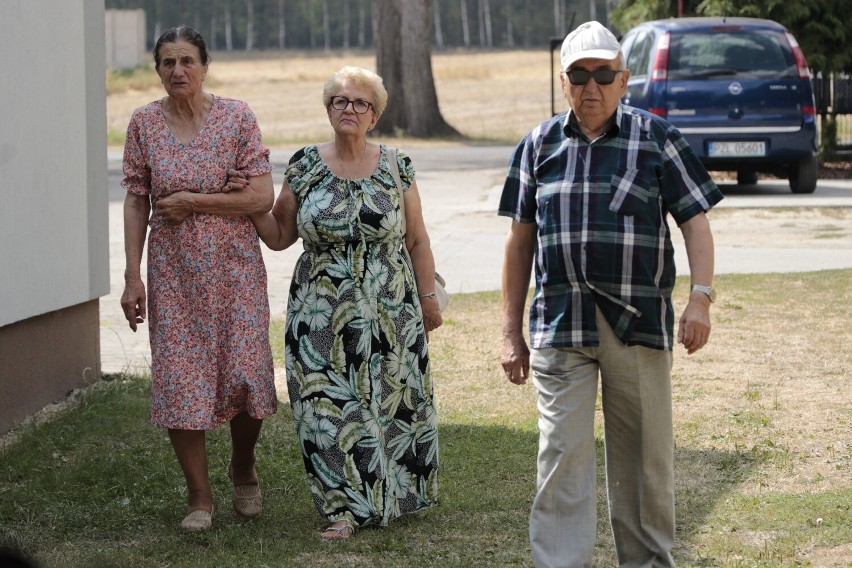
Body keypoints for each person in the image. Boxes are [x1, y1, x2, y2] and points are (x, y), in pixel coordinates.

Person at [498, 21, 723, 567]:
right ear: (563, 80)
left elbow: (695, 223)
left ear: (624, 80)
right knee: (560, 460)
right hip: (560, 327)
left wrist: (700, 298)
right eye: (579, 75)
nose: (591, 86)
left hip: (638, 326)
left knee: (645, 463)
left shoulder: (657, 138)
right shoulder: (538, 145)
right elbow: (519, 241)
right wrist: (509, 333)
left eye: (603, 74)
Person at [247, 66, 442, 542]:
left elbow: (416, 240)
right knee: (326, 408)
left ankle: (392, 496)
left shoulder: (398, 165)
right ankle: (343, 509)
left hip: (391, 310)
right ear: (328, 110)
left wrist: (429, 298)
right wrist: (247, 200)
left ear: (374, 115)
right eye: (340, 101)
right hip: (321, 310)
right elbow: (278, 235)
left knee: (395, 402)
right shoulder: (306, 165)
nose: (349, 109)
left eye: (360, 103)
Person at [120, 25, 277, 532]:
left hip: (235, 272)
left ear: (205, 66)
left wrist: (194, 201)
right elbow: (136, 198)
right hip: (174, 274)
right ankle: (200, 496)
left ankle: (243, 464)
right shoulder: (144, 123)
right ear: (158, 71)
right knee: (179, 380)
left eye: (187, 60)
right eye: (168, 63)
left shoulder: (237, 116)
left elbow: (260, 198)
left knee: (247, 372)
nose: (178, 71)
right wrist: (131, 276)